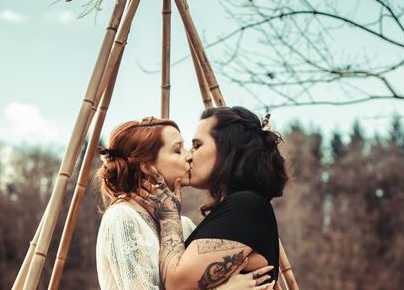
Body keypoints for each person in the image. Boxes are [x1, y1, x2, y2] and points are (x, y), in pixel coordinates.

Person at [96, 116, 276, 290]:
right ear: (147, 166)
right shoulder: (122, 218)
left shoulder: (184, 225)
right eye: (177, 150)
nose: (189, 156)